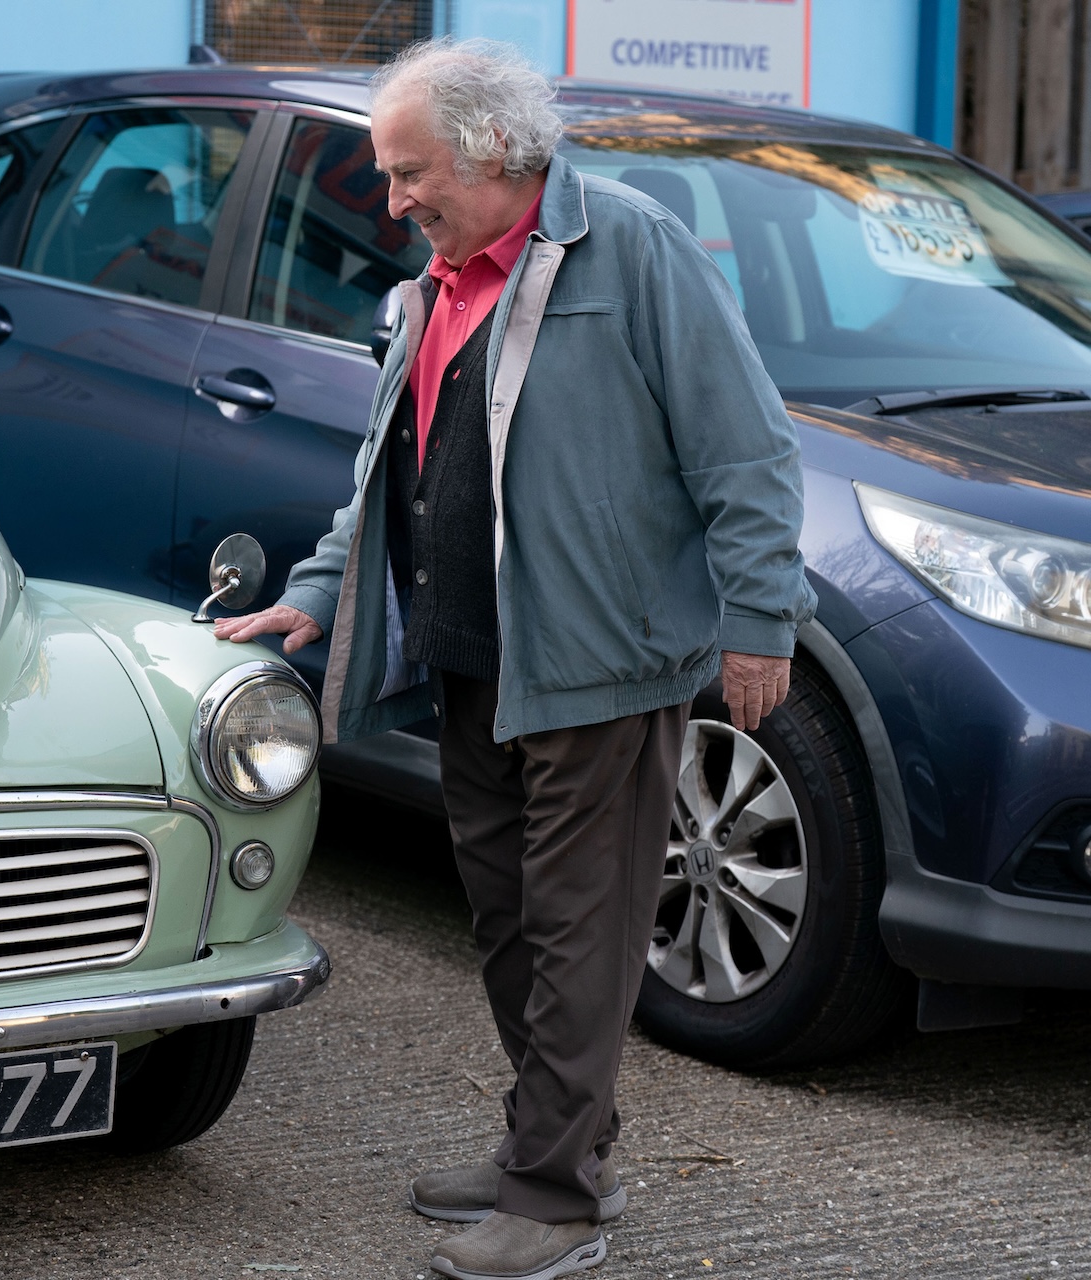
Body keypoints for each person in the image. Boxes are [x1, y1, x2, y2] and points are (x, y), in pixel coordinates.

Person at [214, 37, 815, 1280]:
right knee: (510, 923)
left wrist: (763, 614)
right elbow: (393, 474)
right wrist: (322, 591)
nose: (393, 201)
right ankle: (556, 1144)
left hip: (602, 660)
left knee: (582, 933)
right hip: (475, 658)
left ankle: (555, 1196)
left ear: (491, 150)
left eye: (407, 172)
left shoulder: (629, 247)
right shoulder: (433, 285)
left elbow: (746, 448)